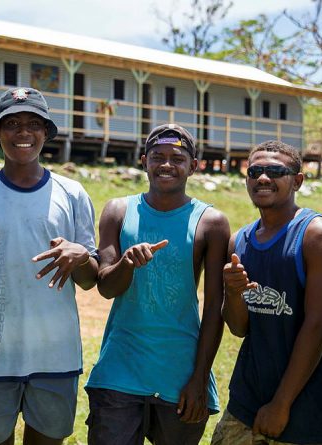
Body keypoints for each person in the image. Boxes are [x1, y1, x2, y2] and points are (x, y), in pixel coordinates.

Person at [0, 86, 99, 445]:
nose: (23, 132)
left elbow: (89, 279)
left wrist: (81, 255)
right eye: (12, 123)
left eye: (33, 123)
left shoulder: (72, 193)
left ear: (46, 133)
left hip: (55, 355)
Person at [85, 123, 230, 445]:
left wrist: (200, 378)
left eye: (177, 158)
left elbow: (215, 307)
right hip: (119, 369)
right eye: (158, 156)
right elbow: (106, 287)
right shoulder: (119, 210)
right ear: (144, 160)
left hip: (180, 373)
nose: (166, 164)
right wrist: (127, 264)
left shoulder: (210, 222)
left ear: (194, 166)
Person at [213, 140, 322, 445]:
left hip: (306, 411)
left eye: (275, 171)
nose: (263, 177)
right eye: (255, 171)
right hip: (246, 403)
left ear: (297, 180)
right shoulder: (239, 242)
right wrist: (233, 292)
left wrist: (281, 403)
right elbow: (238, 327)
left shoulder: (316, 235)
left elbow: (318, 325)